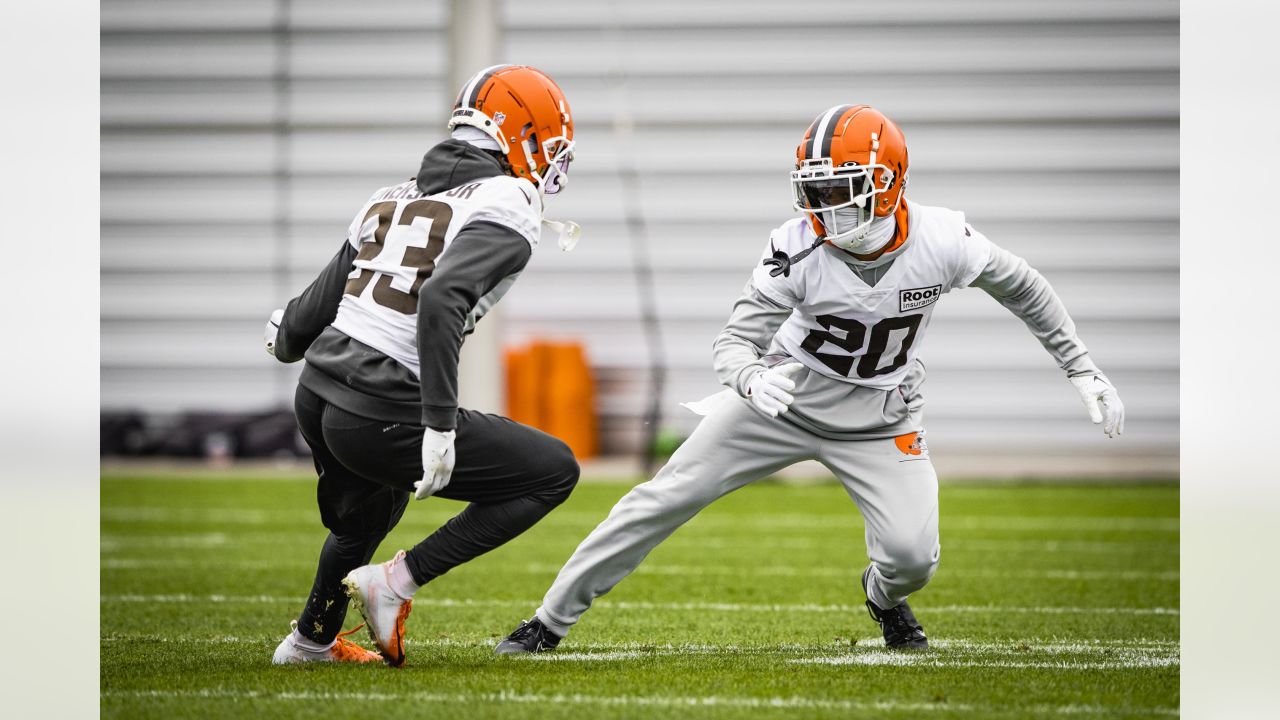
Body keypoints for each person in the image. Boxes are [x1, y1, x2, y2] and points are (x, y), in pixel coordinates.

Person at [495, 104, 1125, 654]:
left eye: (840, 188)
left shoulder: (945, 241)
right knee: (659, 500)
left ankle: (882, 597)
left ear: (887, 183)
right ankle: (547, 622)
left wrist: (1081, 367)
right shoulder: (795, 248)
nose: (824, 207)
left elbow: (1025, 288)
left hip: (883, 415)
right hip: (786, 400)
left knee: (912, 559)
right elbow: (734, 341)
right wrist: (748, 380)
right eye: (815, 191)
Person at [265, 64, 582, 666]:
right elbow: (441, 296)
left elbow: (310, 314)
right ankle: (396, 583)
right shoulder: (508, 198)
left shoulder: (393, 193)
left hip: (318, 392)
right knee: (552, 472)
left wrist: (282, 336)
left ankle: (308, 643)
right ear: (522, 134)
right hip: (380, 402)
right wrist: (438, 423)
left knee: (371, 511)